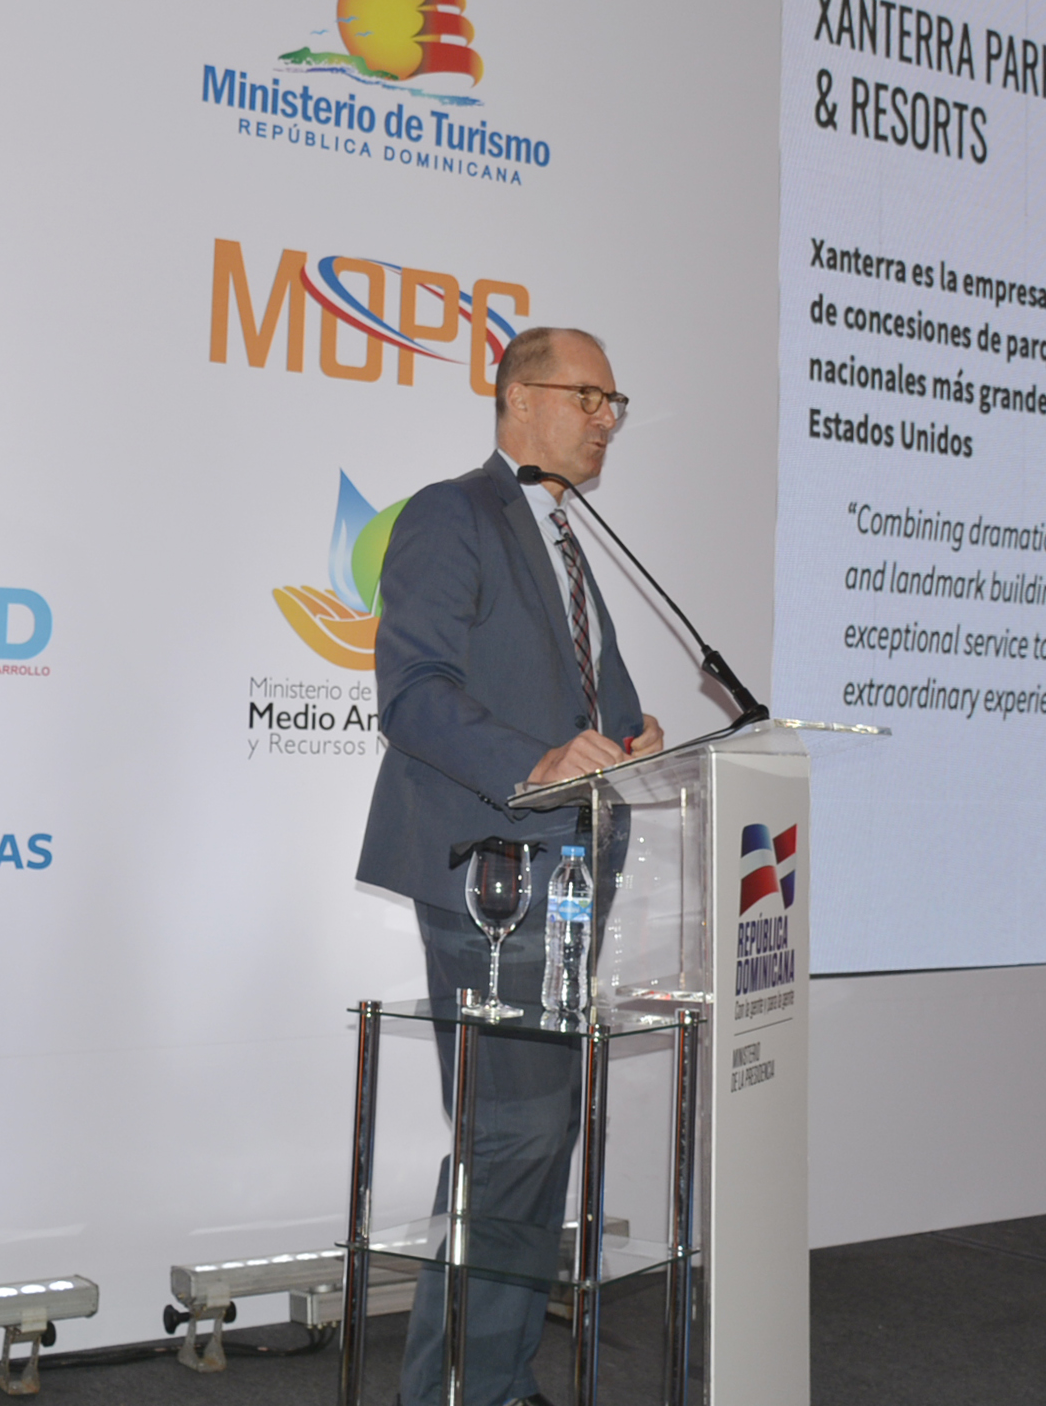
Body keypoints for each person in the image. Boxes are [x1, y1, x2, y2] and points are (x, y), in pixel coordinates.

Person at [357, 326, 664, 1406]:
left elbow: (599, 705)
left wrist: (632, 741)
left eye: (614, 403)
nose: (605, 420)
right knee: (512, 1139)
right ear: (520, 398)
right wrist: (532, 763)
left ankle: (492, 1375)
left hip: (570, 879)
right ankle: (459, 1390)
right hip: (492, 875)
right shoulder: (454, 515)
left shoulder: (568, 539)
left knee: (536, 1140)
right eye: (588, 397)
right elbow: (413, 693)